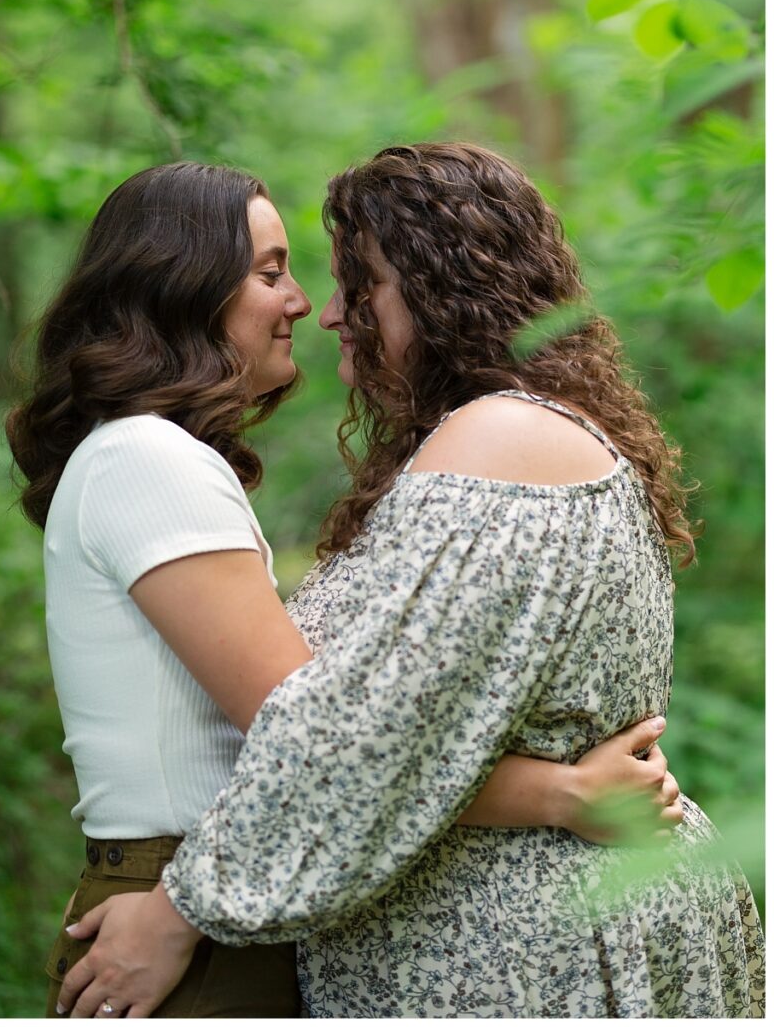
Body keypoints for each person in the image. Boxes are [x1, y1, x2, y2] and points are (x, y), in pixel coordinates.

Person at [54, 145, 764, 1016]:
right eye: (277, 272)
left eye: (360, 280)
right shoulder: (514, 438)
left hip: (520, 951)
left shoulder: (501, 441)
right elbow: (355, 729)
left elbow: (348, 739)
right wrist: (560, 790)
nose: (323, 308)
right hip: (479, 929)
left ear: (440, 290)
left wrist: (180, 906)